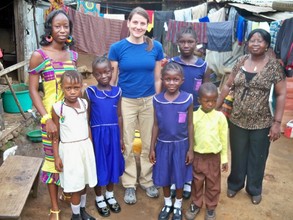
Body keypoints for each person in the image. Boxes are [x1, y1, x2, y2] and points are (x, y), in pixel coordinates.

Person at [216, 29, 286, 205]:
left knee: (258, 156)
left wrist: (277, 123)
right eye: (252, 40)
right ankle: (235, 184)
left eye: (260, 41)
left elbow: (281, 94)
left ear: (267, 45)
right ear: (247, 43)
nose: (255, 44)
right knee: (238, 154)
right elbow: (228, 85)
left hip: (262, 122)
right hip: (237, 119)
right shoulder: (240, 61)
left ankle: (254, 188)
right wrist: (215, 107)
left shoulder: (274, 66)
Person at [108, 6, 164, 204]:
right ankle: (130, 183)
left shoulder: (155, 47)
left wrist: (158, 101)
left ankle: (147, 180)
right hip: (126, 102)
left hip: (149, 101)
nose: (139, 27)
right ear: (128, 23)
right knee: (127, 143)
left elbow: (158, 78)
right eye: (135, 22)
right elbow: (113, 80)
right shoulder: (117, 48)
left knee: (149, 142)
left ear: (147, 25)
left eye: (143, 23)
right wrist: (113, 103)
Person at [28, 10, 78, 220]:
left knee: (67, 156)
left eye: (65, 26)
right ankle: (55, 208)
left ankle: (67, 190)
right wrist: (46, 119)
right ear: (49, 28)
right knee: (51, 160)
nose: (62, 30)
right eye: (57, 26)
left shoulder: (73, 55)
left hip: (71, 118)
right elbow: (33, 90)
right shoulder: (39, 55)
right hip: (50, 119)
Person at [169, 26, 212, 200]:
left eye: (190, 41)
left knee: (191, 146)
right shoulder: (173, 63)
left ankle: (187, 180)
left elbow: (207, 90)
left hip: (195, 112)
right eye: (183, 41)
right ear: (177, 43)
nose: (186, 45)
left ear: (196, 43)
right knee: (175, 145)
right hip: (174, 111)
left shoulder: (203, 66)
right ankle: (174, 179)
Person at [149, 62, 194, 220]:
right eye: (167, 79)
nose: (171, 83)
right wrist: (151, 148)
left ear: (182, 80)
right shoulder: (157, 100)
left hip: (181, 145)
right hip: (163, 145)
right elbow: (155, 125)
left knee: (179, 175)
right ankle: (168, 203)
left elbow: (190, 124)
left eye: (175, 79)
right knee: (164, 176)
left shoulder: (187, 99)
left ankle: (178, 205)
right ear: (162, 79)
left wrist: (190, 149)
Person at [52, 70, 97, 220]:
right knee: (76, 187)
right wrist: (57, 157)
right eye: (68, 88)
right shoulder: (58, 108)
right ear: (62, 88)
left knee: (83, 183)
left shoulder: (84, 103)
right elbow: (55, 136)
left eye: (76, 88)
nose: (72, 92)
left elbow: (87, 125)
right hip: (70, 152)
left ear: (81, 87)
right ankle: (75, 216)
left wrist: (90, 147)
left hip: (84, 149)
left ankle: (82, 211)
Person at [84, 56, 125, 217]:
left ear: (112, 71)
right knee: (99, 165)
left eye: (106, 72)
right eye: (99, 74)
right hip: (97, 136)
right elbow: (86, 119)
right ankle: (99, 197)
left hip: (113, 135)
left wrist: (121, 138)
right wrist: (89, 139)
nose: (103, 76)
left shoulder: (117, 92)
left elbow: (119, 116)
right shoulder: (90, 92)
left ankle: (110, 194)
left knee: (112, 163)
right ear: (94, 75)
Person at [185, 82, 228, 220]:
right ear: (199, 100)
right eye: (207, 101)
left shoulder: (220, 117)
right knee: (196, 182)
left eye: (214, 101)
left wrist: (224, 158)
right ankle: (196, 204)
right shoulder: (193, 117)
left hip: (214, 157)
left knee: (213, 184)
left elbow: (223, 138)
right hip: (197, 156)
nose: (211, 104)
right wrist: (189, 152)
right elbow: (189, 137)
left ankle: (211, 207)